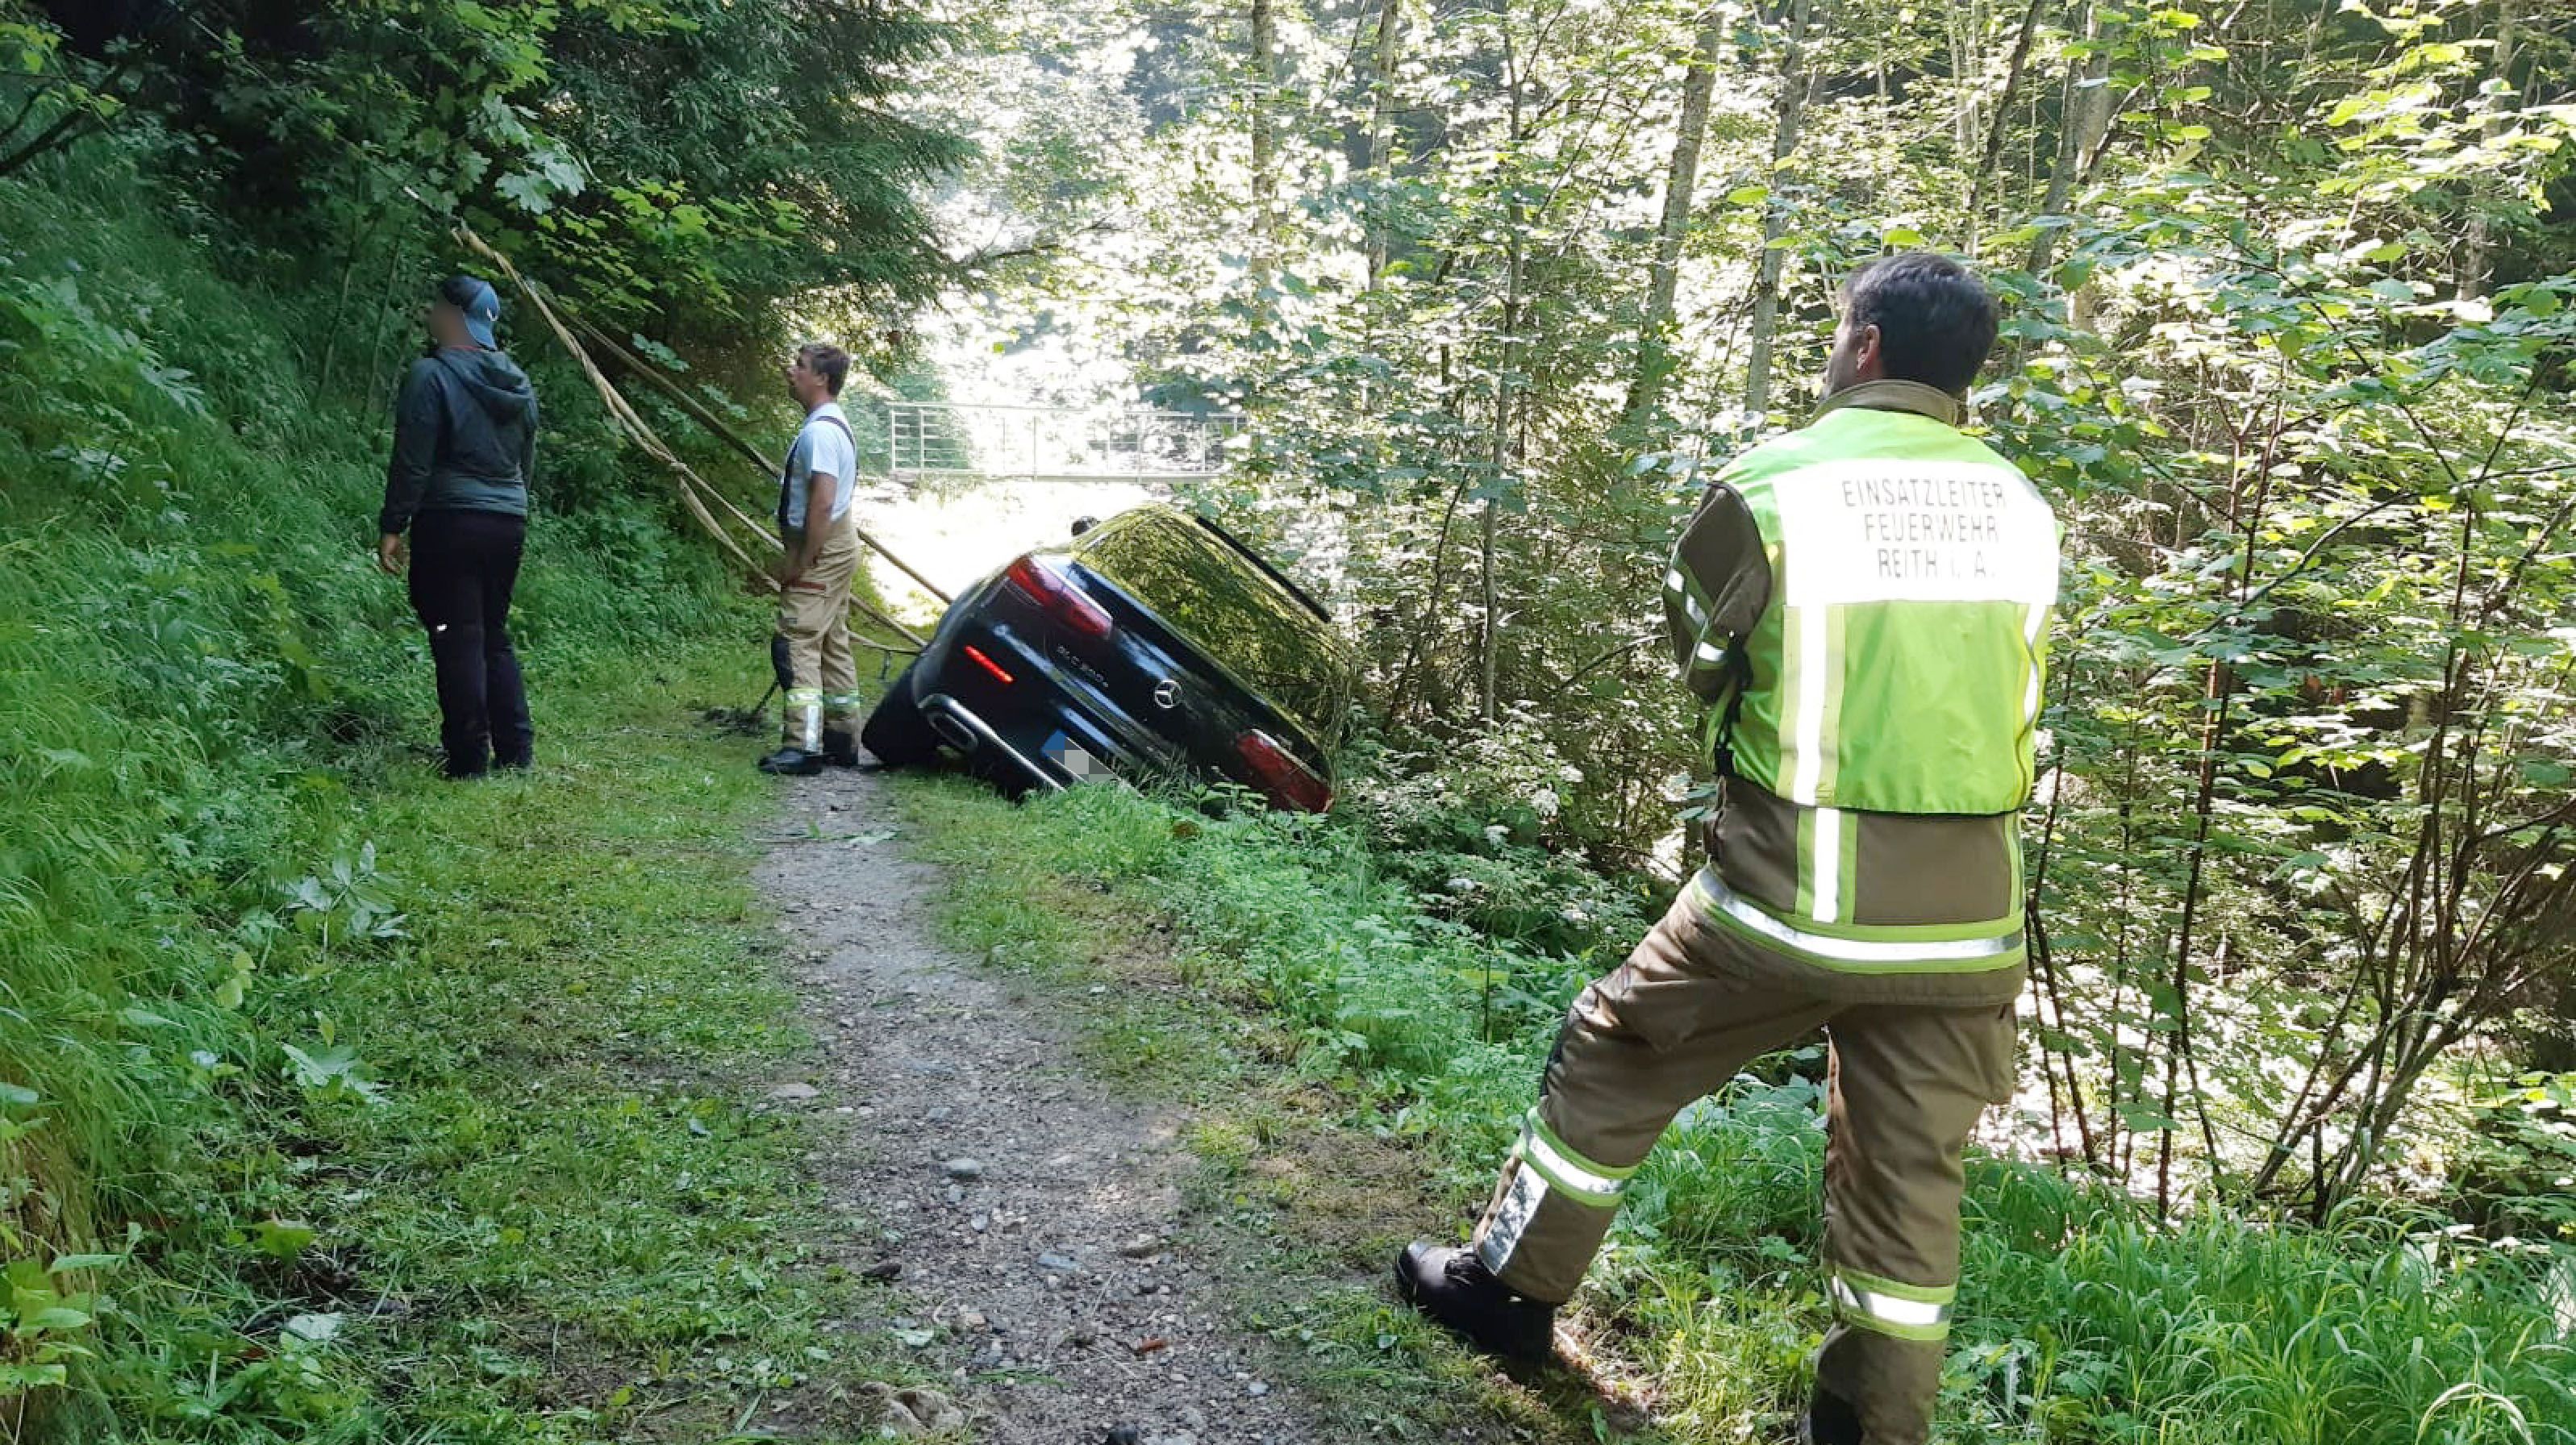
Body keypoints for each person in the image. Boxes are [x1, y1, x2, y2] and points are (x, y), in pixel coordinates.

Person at [1394, 252, 2061, 1445]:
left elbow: (1703, 651)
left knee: (1611, 1049)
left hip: (1788, 896)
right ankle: (1868, 1431)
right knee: (1907, 1188)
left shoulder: (1771, 487)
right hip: (1968, 918)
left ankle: (1503, 1294)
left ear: (1862, 345)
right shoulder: (2019, 505)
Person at [376, 274, 540, 780]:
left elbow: (413, 460)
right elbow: (526, 463)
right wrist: (513, 508)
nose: (430, 314)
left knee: (457, 634)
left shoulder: (431, 375)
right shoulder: (518, 381)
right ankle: (515, 751)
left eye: (437, 308)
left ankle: (468, 759)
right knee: (491, 631)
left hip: (450, 519)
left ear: (454, 317)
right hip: (507, 521)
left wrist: (393, 524)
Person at [759, 342, 863, 776]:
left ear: (821, 378)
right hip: (841, 544)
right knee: (832, 641)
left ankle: (803, 745)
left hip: (822, 546)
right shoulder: (833, 425)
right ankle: (842, 738)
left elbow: (821, 503)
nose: (790, 371)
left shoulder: (820, 433)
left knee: (797, 640)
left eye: (799, 366)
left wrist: (803, 560)